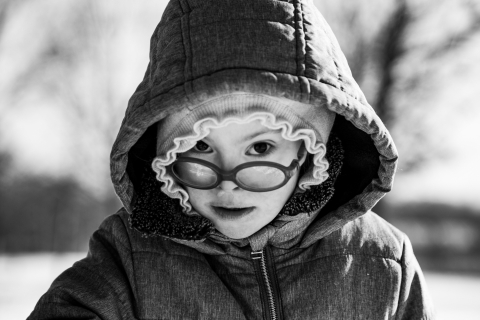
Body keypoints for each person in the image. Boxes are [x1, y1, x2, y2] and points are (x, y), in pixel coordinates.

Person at [29, 0, 434, 319]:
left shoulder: (383, 260)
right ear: (165, 161)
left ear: (310, 156)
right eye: (200, 148)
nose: (227, 183)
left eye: (259, 149)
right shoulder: (130, 256)